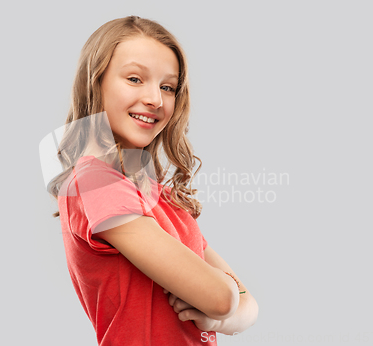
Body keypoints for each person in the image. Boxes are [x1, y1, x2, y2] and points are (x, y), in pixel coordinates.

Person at [47, 15, 258, 345]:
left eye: (167, 87)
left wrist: (223, 312)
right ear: (95, 82)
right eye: (134, 78)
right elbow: (225, 298)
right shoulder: (95, 183)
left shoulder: (161, 197)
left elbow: (248, 305)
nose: (155, 100)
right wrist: (225, 303)